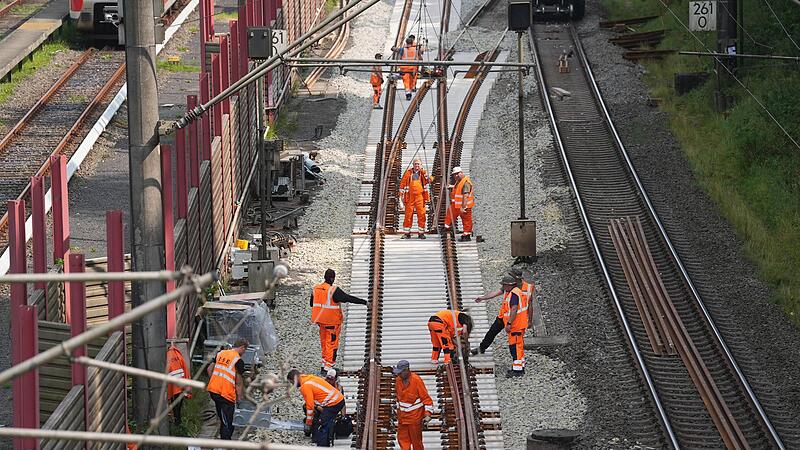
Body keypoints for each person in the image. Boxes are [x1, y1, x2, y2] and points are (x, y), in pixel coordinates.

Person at [310, 269, 368, 373]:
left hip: (320, 323)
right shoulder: (333, 290)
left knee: (324, 344)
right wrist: (364, 302)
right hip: (332, 324)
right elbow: (348, 298)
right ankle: (328, 367)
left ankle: (324, 365)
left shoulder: (316, 289)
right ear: (332, 278)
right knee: (332, 345)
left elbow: (312, 304)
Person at [473, 275, 528, 377]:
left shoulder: (515, 294)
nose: (502, 286)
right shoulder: (510, 290)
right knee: (493, 332)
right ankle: (482, 348)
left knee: (515, 346)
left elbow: (514, 309)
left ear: (509, 285)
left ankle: (518, 370)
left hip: (514, 323)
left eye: (504, 284)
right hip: (504, 318)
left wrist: (509, 324)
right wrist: (482, 298)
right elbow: (495, 293)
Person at [288, 369, 345, 447]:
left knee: (321, 425)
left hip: (334, 403)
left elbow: (310, 406)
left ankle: (322, 446)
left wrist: (308, 423)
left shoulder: (305, 386)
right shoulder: (309, 377)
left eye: (292, 382)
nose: (293, 385)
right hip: (337, 400)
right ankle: (326, 443)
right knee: (325, 423)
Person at [207, 338, 248, 439]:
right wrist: (240, 398)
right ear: (242, 347)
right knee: (227, 423)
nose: (244, 352)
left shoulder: (221, 353)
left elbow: (209, 369)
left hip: (214, 391)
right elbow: (238, 383)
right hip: (225, 395)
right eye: (245, 350)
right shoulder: (238, 361)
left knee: (223, 418)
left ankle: (225, 439)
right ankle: (226, 442)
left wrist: (215, 381)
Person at [394, 360, 433, 449]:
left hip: (414, 419)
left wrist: (427, 415)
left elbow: (426, 399)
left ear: (407, 370)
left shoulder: (416, 380)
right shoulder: (398, 380)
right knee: (403, 441)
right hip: (402, 418)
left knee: (417, 443)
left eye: (400, 372)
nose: (399, 374)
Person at [399, 158, 431, 239]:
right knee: (408, 215)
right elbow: (402, 185)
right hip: (409, 197)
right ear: (413, 165)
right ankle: (407, 233)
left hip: (420, 197)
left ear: (421, 165)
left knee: (421, 215)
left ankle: (421, 233)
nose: (417, 165)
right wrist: (400, 199)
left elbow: (430, 180)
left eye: (418, 164)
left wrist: (424, 173)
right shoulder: (408, 173)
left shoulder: (423, 173)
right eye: (415, 164)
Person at [443, 166, 474, 241]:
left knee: (466, 221)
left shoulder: (466, 182)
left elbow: (465, 196)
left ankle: (466, 235)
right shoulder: (459, 181)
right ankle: (447, 228)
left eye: (457, 174)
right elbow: (459, 189)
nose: (456, 176)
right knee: (449, 215)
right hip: (456, 205)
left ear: (462, 173)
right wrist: (451, 186)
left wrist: (463, 207)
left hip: (464, 206)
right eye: (454, 174)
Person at [166, 343, 192, 425]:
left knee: (175, 407)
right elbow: (185, 369)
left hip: (173, 387)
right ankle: (178, 423)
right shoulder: (177, 354)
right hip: (180, 385)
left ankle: (177, 423)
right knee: (178, 407)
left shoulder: (167, 356)